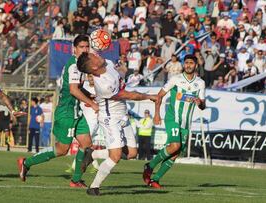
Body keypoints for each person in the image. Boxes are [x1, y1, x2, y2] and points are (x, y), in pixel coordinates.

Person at [17, 34, 99, 188]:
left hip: (76, 112)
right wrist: (92, 103)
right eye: (82, 47)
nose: (85, 49)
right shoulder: (74, 65)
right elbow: (74, 90)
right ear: (74, 49)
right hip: (66, 113)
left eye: (87, 46)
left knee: (87, 145)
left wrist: (90, 96)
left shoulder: (81, 65)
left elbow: (77, 88)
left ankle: (75, 180)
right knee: (62, 150)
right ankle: (26, 162)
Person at [76, 52, 157, 196]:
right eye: (93, 56)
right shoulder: (104, 84)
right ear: (94, 67)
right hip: (109, 118)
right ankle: (93, 187)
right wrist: (149, 96)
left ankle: (92, 153)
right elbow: (129, 95)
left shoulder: (107, 62)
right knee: (116, 156)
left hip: (122, 114)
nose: (96, 54)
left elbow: (119, 74)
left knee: (132, 153)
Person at [143, 54, 206, 188]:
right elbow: (159, 96)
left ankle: (156, 180)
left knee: (175, 154)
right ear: (184, 64)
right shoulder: (175, 79)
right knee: (175, 145)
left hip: (185, 122)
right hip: (173, 118)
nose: (189, 65)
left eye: (191, 63)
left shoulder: (200, 83)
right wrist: (156, 115)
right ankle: (150, 166)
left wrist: (199, 102)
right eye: (186, 63)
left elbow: (203, 105)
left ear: (196, 65)